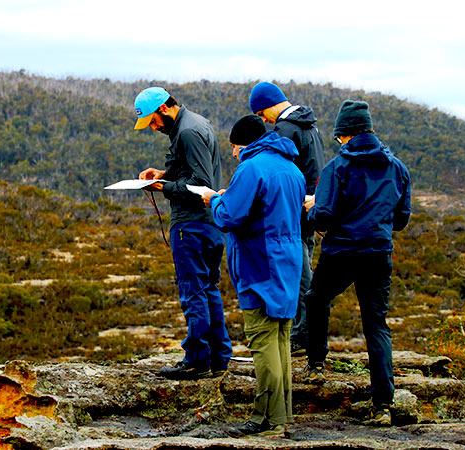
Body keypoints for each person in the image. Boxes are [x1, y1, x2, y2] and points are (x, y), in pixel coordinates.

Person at [303, 100, 411, 427]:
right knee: (376, 325)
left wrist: (310, 209)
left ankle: (316, 363)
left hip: (342, 252)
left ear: (345, 135)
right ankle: (383, 406)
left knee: (316, 299)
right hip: (378, 252)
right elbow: (402, 220)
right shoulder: (398, 168)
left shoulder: (337, 167)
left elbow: (325, 215)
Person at [200, 115, 305, 437]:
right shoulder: (292, 169)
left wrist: (214, 199)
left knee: (262, 341)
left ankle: (273, 423)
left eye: (234, 146)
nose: (233, 153)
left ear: (244, 142)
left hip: (258, 263)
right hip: (288, 261)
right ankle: (274, 415)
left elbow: (230, 217)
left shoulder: (252, 168)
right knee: (281, 340)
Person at [134, 86, 232, 380]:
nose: (152, 128)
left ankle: (197, 359)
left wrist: (162, 187)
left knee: (193, 292)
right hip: (210, 224)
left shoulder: (187, 132)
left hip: (191, 224)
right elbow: (193, 172)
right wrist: (163, 174)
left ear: (163, 109)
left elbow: (199, 183)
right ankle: (219, 358)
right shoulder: (197, 124)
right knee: (208, 289)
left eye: (152, 120)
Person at [249, 82, 325, 356]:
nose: (263, 120)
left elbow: (278, 171)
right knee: (306, 266)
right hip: (312, 206)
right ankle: (307, 332)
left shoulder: (286, 130)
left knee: (299, 272)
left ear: (269, 104)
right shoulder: (310, 126)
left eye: (260, 113)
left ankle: (302, 335)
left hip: (293, 208)